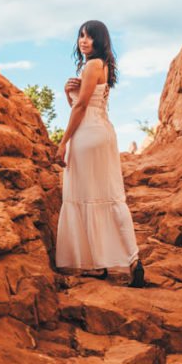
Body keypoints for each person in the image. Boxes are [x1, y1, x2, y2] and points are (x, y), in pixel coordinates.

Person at [54, 20, 145, 287]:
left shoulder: (92, 65)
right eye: (81, 36)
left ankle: (101, 260)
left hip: (87, 134)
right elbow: (85, 103)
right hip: (102, 132)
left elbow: (81, 106)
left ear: (100, 41)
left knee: (84, 194)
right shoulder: (102, 65)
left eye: (90, 37)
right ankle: (130, 261)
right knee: (108, 196)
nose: (84, 41)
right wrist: (67, 91)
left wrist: (63, 142)